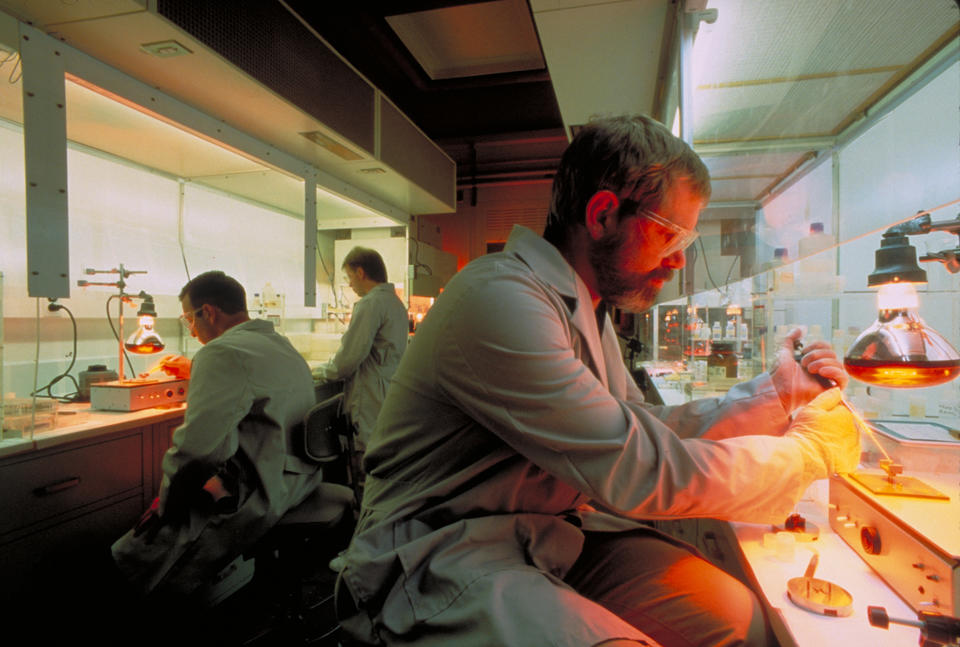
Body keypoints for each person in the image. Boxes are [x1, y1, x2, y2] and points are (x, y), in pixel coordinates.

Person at [335, 115, 860, 647]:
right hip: (437, 552)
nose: (678, 259)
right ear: (604, 214)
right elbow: (635, 467)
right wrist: (808, 455)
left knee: (735, 616)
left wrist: (777, 396)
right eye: (669, 234)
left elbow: (641, 427)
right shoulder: (499, 298)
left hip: (538, 533)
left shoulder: (586, 304)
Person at [111, 270, 324, 598]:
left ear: (207, 311)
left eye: (188, 318)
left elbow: (198, 453)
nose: (191, 329)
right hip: (300, 478)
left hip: (264, 491)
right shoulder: (277, 343)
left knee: (136, 550)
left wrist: (166, 505)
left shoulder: (219, 352)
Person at [314, 246, 409, 451]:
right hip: (386, 396)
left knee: (363, 461)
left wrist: (318, 372)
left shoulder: (371, 303)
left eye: (349, 277)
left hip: (369, 399)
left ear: (360, 272)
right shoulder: (395, 303)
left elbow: (348, 359)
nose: (350, 284)